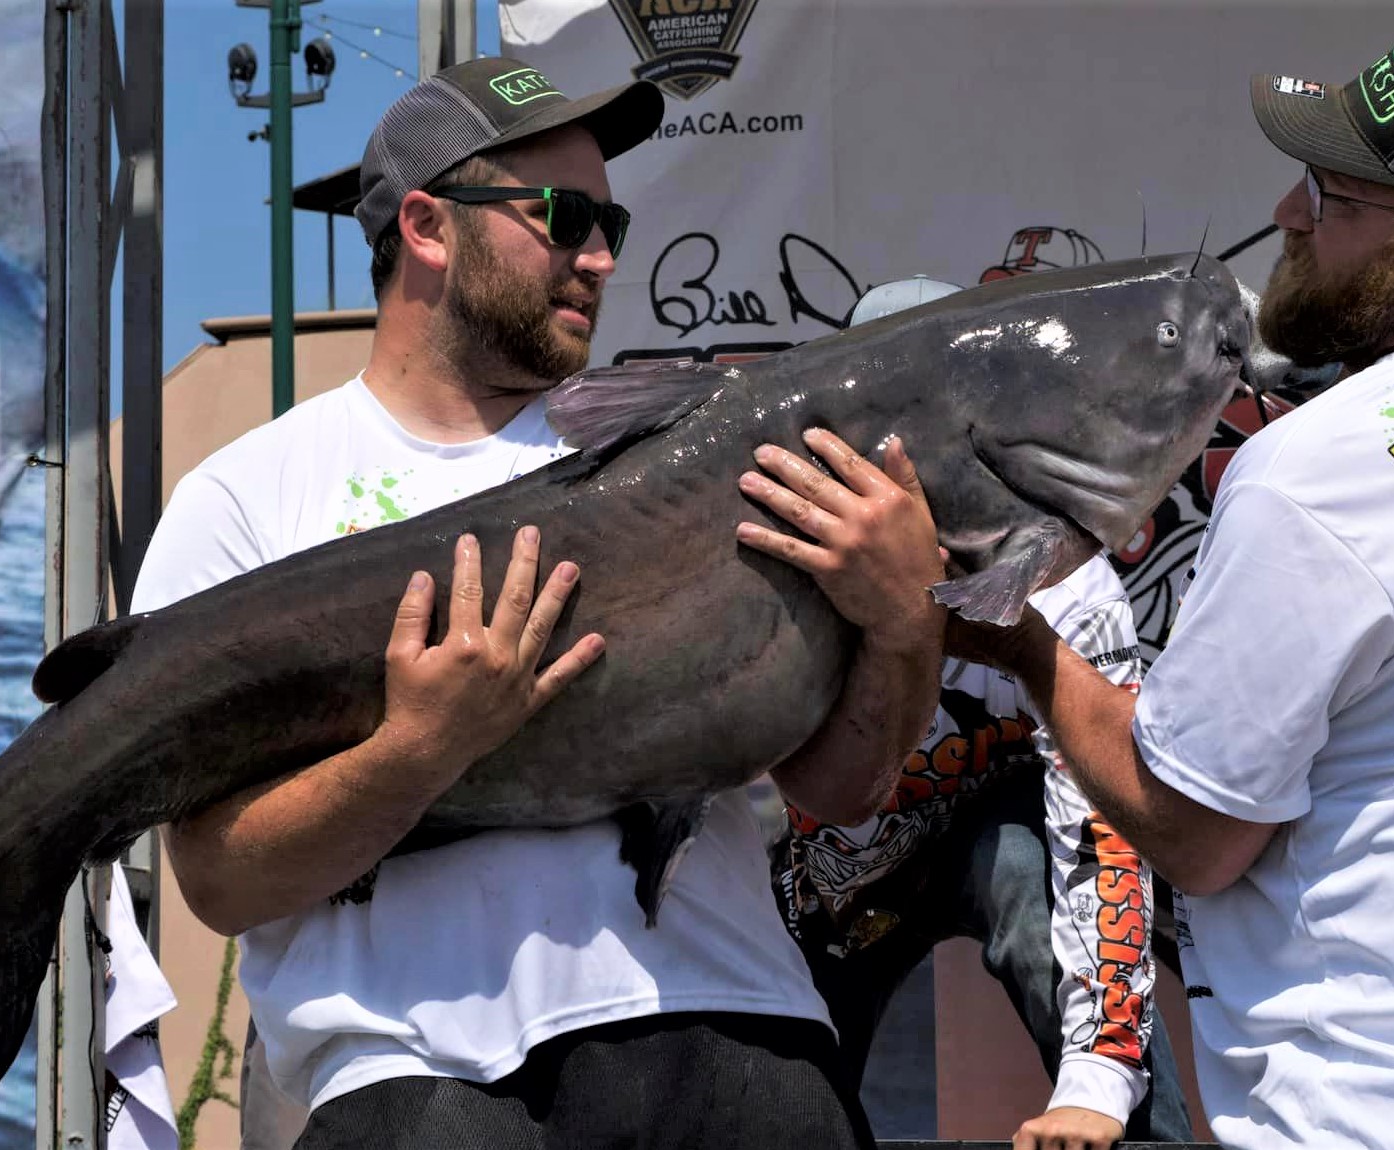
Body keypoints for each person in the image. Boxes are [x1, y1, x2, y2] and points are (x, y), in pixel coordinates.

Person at [132, 57, 945, 1149]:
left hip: (747, 1035)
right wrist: (418, 749)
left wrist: (906, 621)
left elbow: (842, 788)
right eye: (563, 218)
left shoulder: (688, 449)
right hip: (422, 1077)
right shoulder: (246, 497)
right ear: (427, 226)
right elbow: (221, 879)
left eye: (609, 220)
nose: (600, 256)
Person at [956, 30, 1394, 1150]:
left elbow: (1192, 832)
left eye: (1328, 196)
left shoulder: (1317, 473)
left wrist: (1026, 646)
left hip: (1390, 1112)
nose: (1288, 216)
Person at [768, 281, 1190, 1150]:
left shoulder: (1064, 577)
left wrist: (1100, 1082)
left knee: (1021, 875)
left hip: (997, 833)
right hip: (822, 882)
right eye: (887, 424)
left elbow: (1102, 821)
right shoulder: (780, 567)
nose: (919, 458)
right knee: (774, 1091)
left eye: (954, 417)